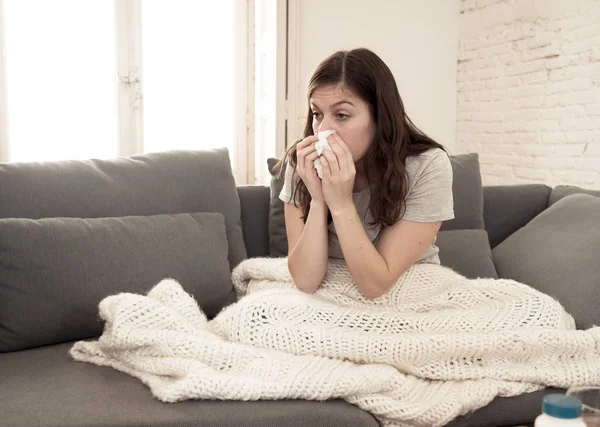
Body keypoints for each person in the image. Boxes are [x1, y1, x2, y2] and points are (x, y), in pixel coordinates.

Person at [276, 48, 454, 299]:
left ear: (380, 118)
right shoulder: (303, 164)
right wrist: (318, 200)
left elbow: (375, 286)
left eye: (341, 115)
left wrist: (340, 204)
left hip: (407, 290)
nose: (323, 129)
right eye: (317, 114)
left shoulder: (427, 166)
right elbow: (306, 281)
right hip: (329, 293)